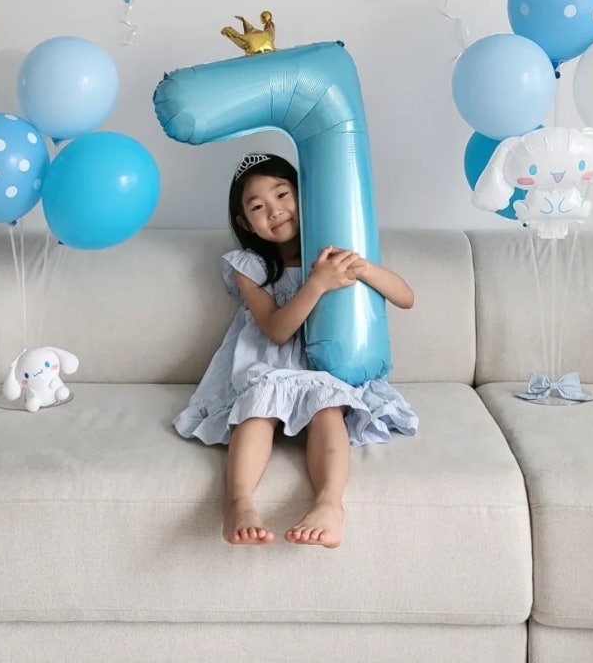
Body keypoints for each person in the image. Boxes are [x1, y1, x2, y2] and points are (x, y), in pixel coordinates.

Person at [173, 152, 417, 549]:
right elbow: (277, 330)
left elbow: (406, 298)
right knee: (258, 405)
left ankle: (329, 506)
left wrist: (362, 268)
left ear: (305, 195)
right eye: (257, 207)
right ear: (244, 223)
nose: (274, 210)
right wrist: (317, 284)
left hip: (323, 367)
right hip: (269, 361)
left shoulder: (335, 250)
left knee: (327, 407)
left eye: (282, 194)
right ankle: (238, 503)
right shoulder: (249, 265)